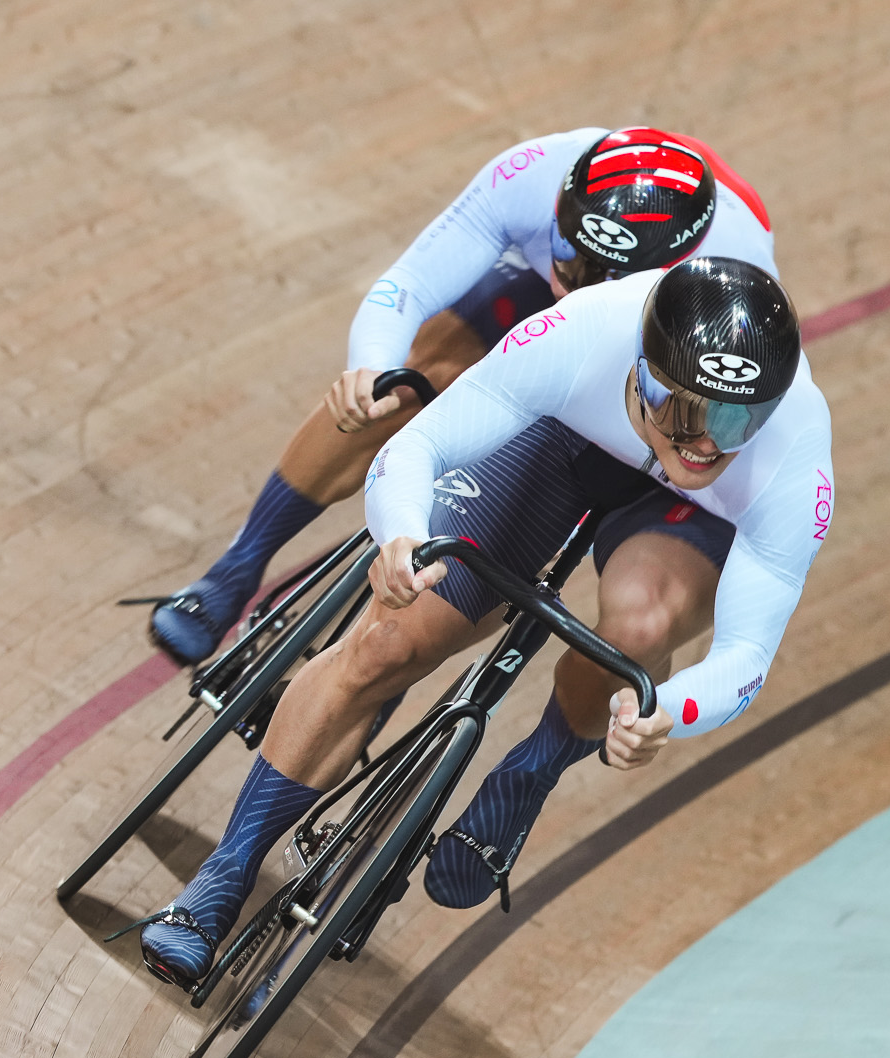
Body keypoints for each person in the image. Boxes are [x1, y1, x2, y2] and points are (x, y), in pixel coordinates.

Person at [136, 256, 833, 989]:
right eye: (689, 411)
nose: (706, 445)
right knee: (384, 644)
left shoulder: (789, 451)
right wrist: (402, 534)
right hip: (566, 438)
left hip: (684, 518)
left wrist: (669, 712)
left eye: (736, 420)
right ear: (643, 370)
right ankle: (223, 876)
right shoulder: (584, 335)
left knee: (641, 627)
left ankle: (532, 769)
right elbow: (418, 446)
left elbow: (749, 651)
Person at [148, 126, 776, 666]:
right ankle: (236, 568)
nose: (577, 286)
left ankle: (411, 648)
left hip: (650, 353)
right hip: (576, 302)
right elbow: (409, 285)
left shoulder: (719, 289)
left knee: (539, 481)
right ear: (559, 209)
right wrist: (370, 368)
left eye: (599, 279)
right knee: (404, 380)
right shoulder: (531, 177)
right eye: (570, 260)